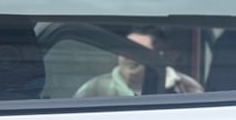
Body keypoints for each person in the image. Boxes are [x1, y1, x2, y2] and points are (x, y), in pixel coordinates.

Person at [74, 29, 203, 98]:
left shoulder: (187, 88)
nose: (129, 57)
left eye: (137, 52)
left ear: (158, 55)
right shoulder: (93, 89)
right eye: (125, 50)